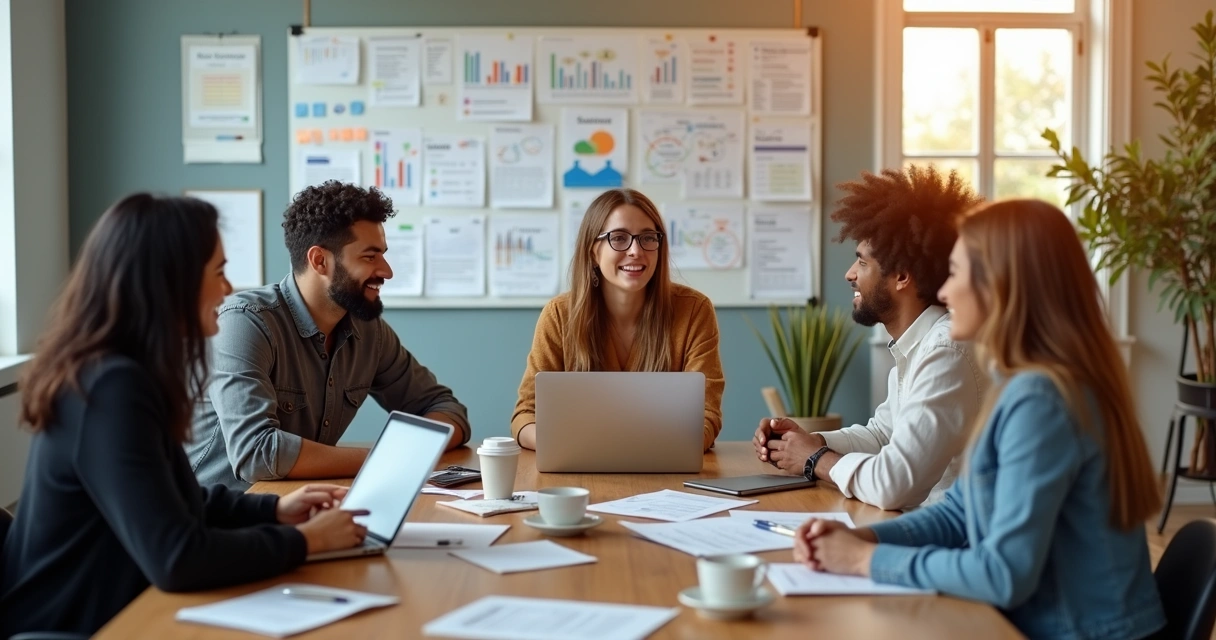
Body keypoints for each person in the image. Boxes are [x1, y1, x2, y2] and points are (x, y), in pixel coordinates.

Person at [795, 199, 1165, 640]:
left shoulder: (1042, 398)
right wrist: (868, 541)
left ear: (999, 285)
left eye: (956, 273)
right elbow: (959, 512)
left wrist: (862, 562)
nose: (945, 292)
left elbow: (1003, 574)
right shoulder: (1024, 383)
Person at [0, 194, 368, 638]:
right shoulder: (110, 389)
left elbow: (176, 495)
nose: (228, 289)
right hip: (79, 626)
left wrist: (275, 510)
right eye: (217, 272)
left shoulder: (120, 373)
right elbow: (176, 558)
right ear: (169, 283)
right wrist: (308, 541)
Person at [187, 181, 470, 490]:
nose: (387, 271)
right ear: (319, 260)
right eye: (369, 257)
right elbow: (256, 453)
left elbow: (446, 409)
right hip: (218, 521)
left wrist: (408, 452)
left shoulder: (368, 332)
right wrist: (388, 459)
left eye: (383, 255)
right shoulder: (245, 324)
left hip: (298, 507)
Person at [753, 165, 986, 510]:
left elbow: (894, 486)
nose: (850, 274)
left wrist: (815, 458)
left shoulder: (946, 351)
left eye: (862, 262)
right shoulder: (918, 347)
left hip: (951, 541)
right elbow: (883, 435)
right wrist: (807, 441)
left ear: (902, 276)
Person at [511, 188, 724, 451]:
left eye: (648, 238)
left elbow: (706, 416)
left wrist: (647, 447)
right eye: (619, 238)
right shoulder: (559, 315)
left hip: (665, 469)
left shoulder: (694, 311)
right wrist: (569, 444)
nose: (636, 250)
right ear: (593, 252)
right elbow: (525, 415)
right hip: (579, 465)